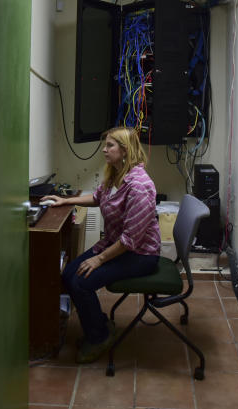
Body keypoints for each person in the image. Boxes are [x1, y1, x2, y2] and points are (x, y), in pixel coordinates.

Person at [40, 126, 161, 364]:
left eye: (110, 146)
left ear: (124, 151)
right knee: (69, 274)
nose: (104, 150)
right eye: (105, 145)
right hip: (116, 245)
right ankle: (99, 323)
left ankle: (99, 337)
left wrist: (99, 258)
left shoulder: (139, 187)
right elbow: (97, 197)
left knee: (82, 281)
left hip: (139, 254)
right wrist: (66, 200)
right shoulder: (116, 173)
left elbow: (130, 240)